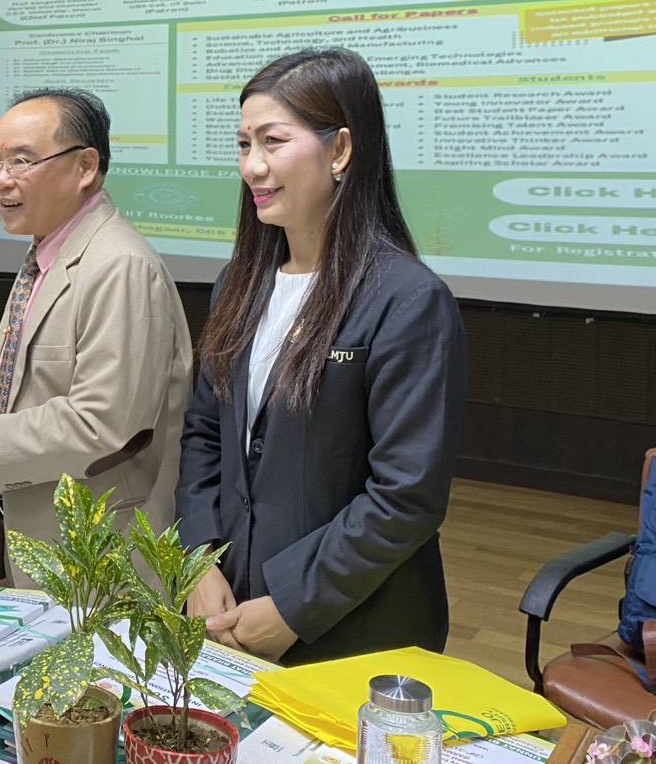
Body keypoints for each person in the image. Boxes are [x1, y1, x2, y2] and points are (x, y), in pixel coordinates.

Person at [177, 48, 466, 665]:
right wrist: (199, 557)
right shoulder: (238, 284)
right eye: (243, 144)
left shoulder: (408, 299)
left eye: (273, 141)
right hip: (232, 605)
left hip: (352, 628)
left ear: (340, 151)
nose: (253, 166)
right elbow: (204, 433)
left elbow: (405, 496)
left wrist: (293, 605)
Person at [0, 89, 191, 582]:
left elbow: (103, 425)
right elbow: (29, 383)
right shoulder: (50, 251)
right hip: (47, 537)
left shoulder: (119, 266)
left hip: (101, 554)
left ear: (85, 167)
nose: (1, 179)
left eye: (22, 161)